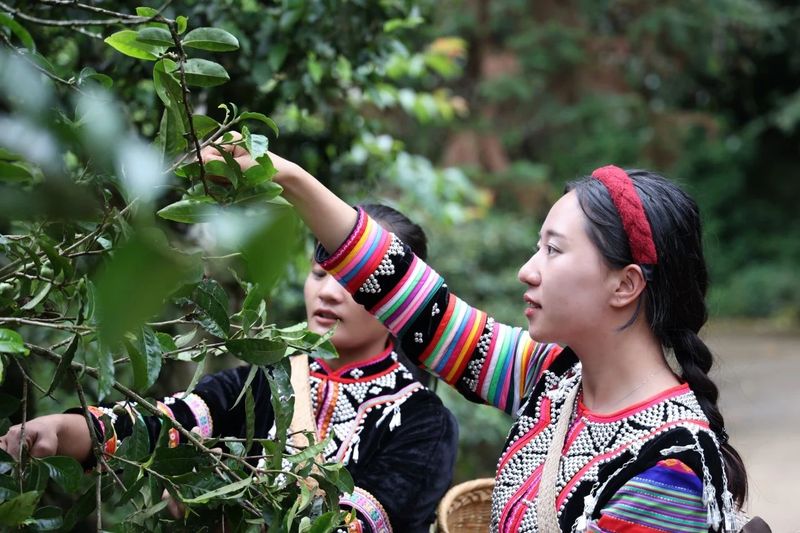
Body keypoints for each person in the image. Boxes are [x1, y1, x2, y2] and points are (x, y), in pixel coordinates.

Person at [194, 144, 748, 532]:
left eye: (554, 250)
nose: (527, 271)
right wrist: (287, 179)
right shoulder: (553, 376)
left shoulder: (668, 465)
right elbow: (416, 304)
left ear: (625, 284)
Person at [0, 203, 458, 533]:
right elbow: (163, 427)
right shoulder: (264, 380)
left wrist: (224, 509)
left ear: (400, 301)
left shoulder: (423, 422)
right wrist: (62, 430)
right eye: (320, 274)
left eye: (353, 281)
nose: (330, 292)